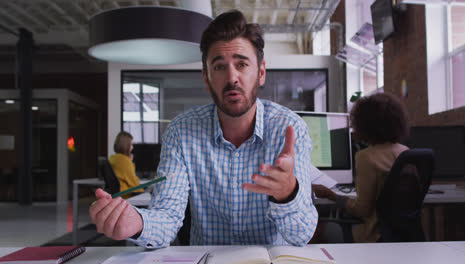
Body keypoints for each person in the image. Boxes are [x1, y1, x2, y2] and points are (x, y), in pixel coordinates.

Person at [89, 10, 319, 248]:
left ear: (260, 73)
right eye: (219, 67)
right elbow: (167, 216)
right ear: (206, 78)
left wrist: (288, 194)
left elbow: (301, 235)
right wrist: (137, 223)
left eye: (242, 64)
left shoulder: (290, 130)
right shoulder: (182, 132)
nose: (232, 77)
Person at [313, 92, 410, 243]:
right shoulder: (405, 151)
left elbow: (362, 210)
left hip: (374, 236)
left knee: (315, 227)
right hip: (403, 236)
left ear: (363, 124)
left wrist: (329, 194)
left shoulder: (366, 157)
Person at [109, 131, 143, 199]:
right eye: (131, 145)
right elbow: (134, 184)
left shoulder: (113, 158)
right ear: (126, 145)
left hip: (117, 195)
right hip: (127, 196)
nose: (132, 147)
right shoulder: (124, 161)